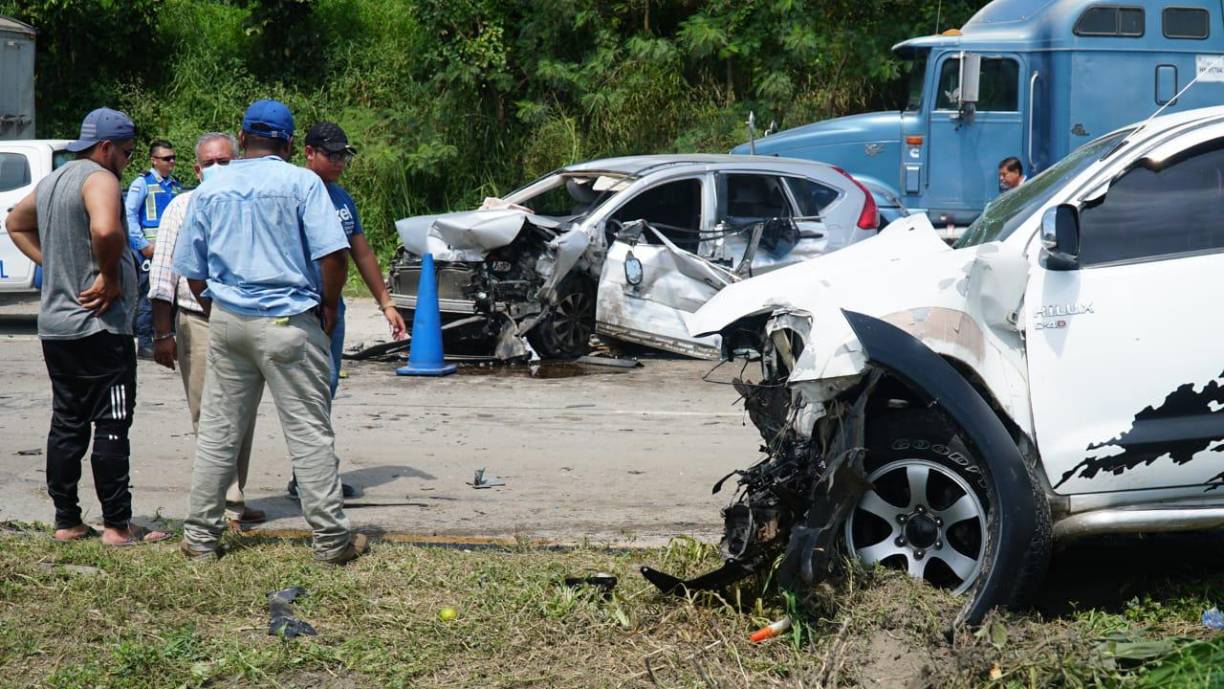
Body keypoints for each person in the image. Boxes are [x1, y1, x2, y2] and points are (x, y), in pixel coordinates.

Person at [174, 99, 367, 564]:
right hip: (288, 322)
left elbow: (192, 270)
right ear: (286, 143)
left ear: (242, 139)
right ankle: (331, 541)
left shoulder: (211, 188)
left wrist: (216, 308)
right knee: (308, 433)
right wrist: (327, 306)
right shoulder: (301, 182)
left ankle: (201, 538)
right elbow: (334, 256)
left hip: (228, 322)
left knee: (219, 433)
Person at [3, 107, 169, 546]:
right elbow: (106, 229)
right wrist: (110, 274)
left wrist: (54, 266)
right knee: (112, 421)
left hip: (57, 328)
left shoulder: (55, 179)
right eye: (128, 153)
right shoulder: (101, 179)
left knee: (67, 424)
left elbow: (15, 223)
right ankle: (117, 524)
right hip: (98, 328)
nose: (128, 161)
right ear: (107, 147)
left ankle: (67, 520)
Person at [148, 132, 266, 530]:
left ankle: (234, 496)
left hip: (243, 319)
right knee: (207, 413)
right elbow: (164, 272)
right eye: (210, 163)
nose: (218, 170)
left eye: (225, 162)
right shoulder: (182, 207)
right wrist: (162, 333)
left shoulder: (251, 205)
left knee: (244, 412)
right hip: (196, 320)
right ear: (197, 170)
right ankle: (223, 504)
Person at [284, 121, 407, 500]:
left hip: (331, 312)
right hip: (299, 309)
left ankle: (310, 474)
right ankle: (310, 478)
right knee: (307, 395)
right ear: (308, 153)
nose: (338, 162)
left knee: (326, 389)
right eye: (330, 154)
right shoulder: (292, 192)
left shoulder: (341, 199)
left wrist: (385, 303)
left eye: (343, 155)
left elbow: (362, 251)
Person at [125, 139, 183, 358]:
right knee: (150, 298)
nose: (172, 162)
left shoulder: (174, 184)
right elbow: (129, 214)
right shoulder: (142, 183)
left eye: (173, 158)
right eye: (167, 158)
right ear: (154, 160)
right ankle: (145, 343)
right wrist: (142, 245)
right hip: (151, 251)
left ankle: (167, 338)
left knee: (172, 297)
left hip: (173, 250)